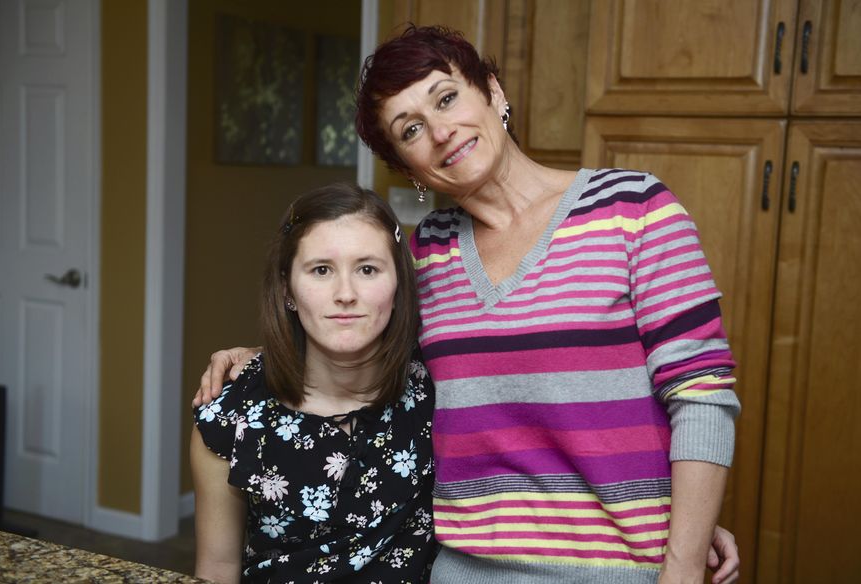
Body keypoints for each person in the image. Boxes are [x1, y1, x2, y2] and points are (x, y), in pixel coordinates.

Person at [195, 25, 741, 584]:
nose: (440, 131)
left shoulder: (635, 209)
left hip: (621, 572)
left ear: (494, 92)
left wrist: (684, 550)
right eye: (410, 130)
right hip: (462, 571)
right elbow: (359, 331)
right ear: (408, 168)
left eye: (447, 97)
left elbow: (702, 396)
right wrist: (261, 354)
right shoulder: (427, 254)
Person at [191, 183, 438, 583]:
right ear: (288, 289)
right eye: (321, 270)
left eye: (368, 269)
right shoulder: (230, 417)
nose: (345, 294)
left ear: (397, 287)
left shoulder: (437, 385)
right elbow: (218, 569)